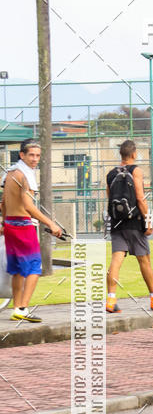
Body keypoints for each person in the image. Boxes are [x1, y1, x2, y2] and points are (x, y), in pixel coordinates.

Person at [105, 139, 153, 312]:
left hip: (116, 223)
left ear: (121, 154)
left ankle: (111, 301)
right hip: (134, 223)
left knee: (115, 261)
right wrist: (148, 221)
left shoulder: (111, 174)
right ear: (134, 154)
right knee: (144, 261)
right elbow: (140, 198)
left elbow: (109, 198)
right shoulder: (136, 171)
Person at [0, 138, 62, 323]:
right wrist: (50, 223)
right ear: (22, 155)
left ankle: (16, 308)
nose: (35, 159)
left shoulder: (10, 174)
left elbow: (3, 202)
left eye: (38, 155)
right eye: (31, 155)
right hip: (23, 226)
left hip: (10, 225)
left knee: (17, 270)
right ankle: (22, 308)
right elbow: (28, 205)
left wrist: (3, 222)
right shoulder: (26, 175)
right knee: (35, 268)